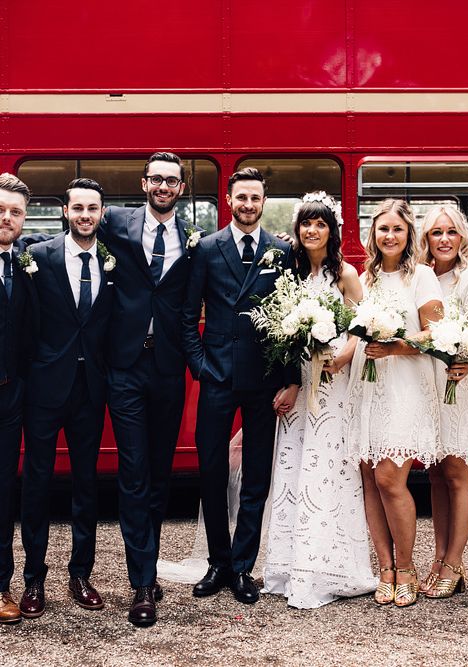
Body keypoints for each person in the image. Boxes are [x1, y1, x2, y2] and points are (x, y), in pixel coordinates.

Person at [182, 168, 300, 606]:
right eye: (241, 197)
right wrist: (200, 366)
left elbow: (291, 322)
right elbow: (186, 314)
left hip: (263, 381)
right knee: (211, 471)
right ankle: (218, 562)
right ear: (229, 199)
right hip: (217, 377)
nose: (248, 204)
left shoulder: (280, 252)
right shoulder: (207, 250)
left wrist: (290, 379)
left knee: (256, 478)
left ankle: (243, 567)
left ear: (264, 202)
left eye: (255, 198)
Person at [262, 192, 377, 608]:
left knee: (329, 469)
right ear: (297, 230)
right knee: (294, 468)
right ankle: (289, 566)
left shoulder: (345, 273)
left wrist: (345, 354)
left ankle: (330, 567)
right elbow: (280, 336)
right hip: (300, 386)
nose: (312, 231)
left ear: (332, 230)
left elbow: (366, 323)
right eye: (306, 224)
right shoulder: (288, 272)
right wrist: (291, 380)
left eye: (320, 223)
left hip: (332, 386)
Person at [100, 152, 200, 626]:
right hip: (124, 369)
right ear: (143, 183)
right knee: (134, 472)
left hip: (167, 369)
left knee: (159, 475)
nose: (163, 186)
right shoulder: (115, 221)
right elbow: (65, 236)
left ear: (181, 188)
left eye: (172, 181)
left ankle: (149, 563)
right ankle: (141, 582)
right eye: (156, 179)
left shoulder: (194, 238)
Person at [20, 178, 114, 619]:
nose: (85, 215)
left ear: (101, 213)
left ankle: (80, 574)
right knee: (37, 484)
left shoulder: (115, 259)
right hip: (44, 388)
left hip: (90, 390)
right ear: (65, 211)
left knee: (85, 485)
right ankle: (33, 579)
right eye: (77, 208)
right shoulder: (38, 256)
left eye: (92, 208)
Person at [344, 199, 443, 608]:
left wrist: (396, 346)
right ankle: (384, 566)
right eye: (382, 228)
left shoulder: (422, 277)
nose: (389, 236)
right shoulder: (361, 278)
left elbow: (437, 334)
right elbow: (349, 330)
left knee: (390, 478)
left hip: (405, 388)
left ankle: (407, 567)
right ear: (373, 233)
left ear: (408, 236)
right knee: (369, 477)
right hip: (365, 388)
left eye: (397, 230)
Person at [416, 205, 468, 599]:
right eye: (435, 233)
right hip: (429, 388)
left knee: (458, 473)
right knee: (436, 474)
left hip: (459, 386)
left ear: (462, 238)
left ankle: (455, 562)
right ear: (425, 239)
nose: (444, 240)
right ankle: (439, 557)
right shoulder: (423, 277)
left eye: (451, 233)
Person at [0, 174, 36, 625]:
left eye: (15, 212)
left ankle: (0, 585)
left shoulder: (28, 260)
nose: (5, 218)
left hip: (10, 397)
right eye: (0, 210)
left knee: (3, 491)